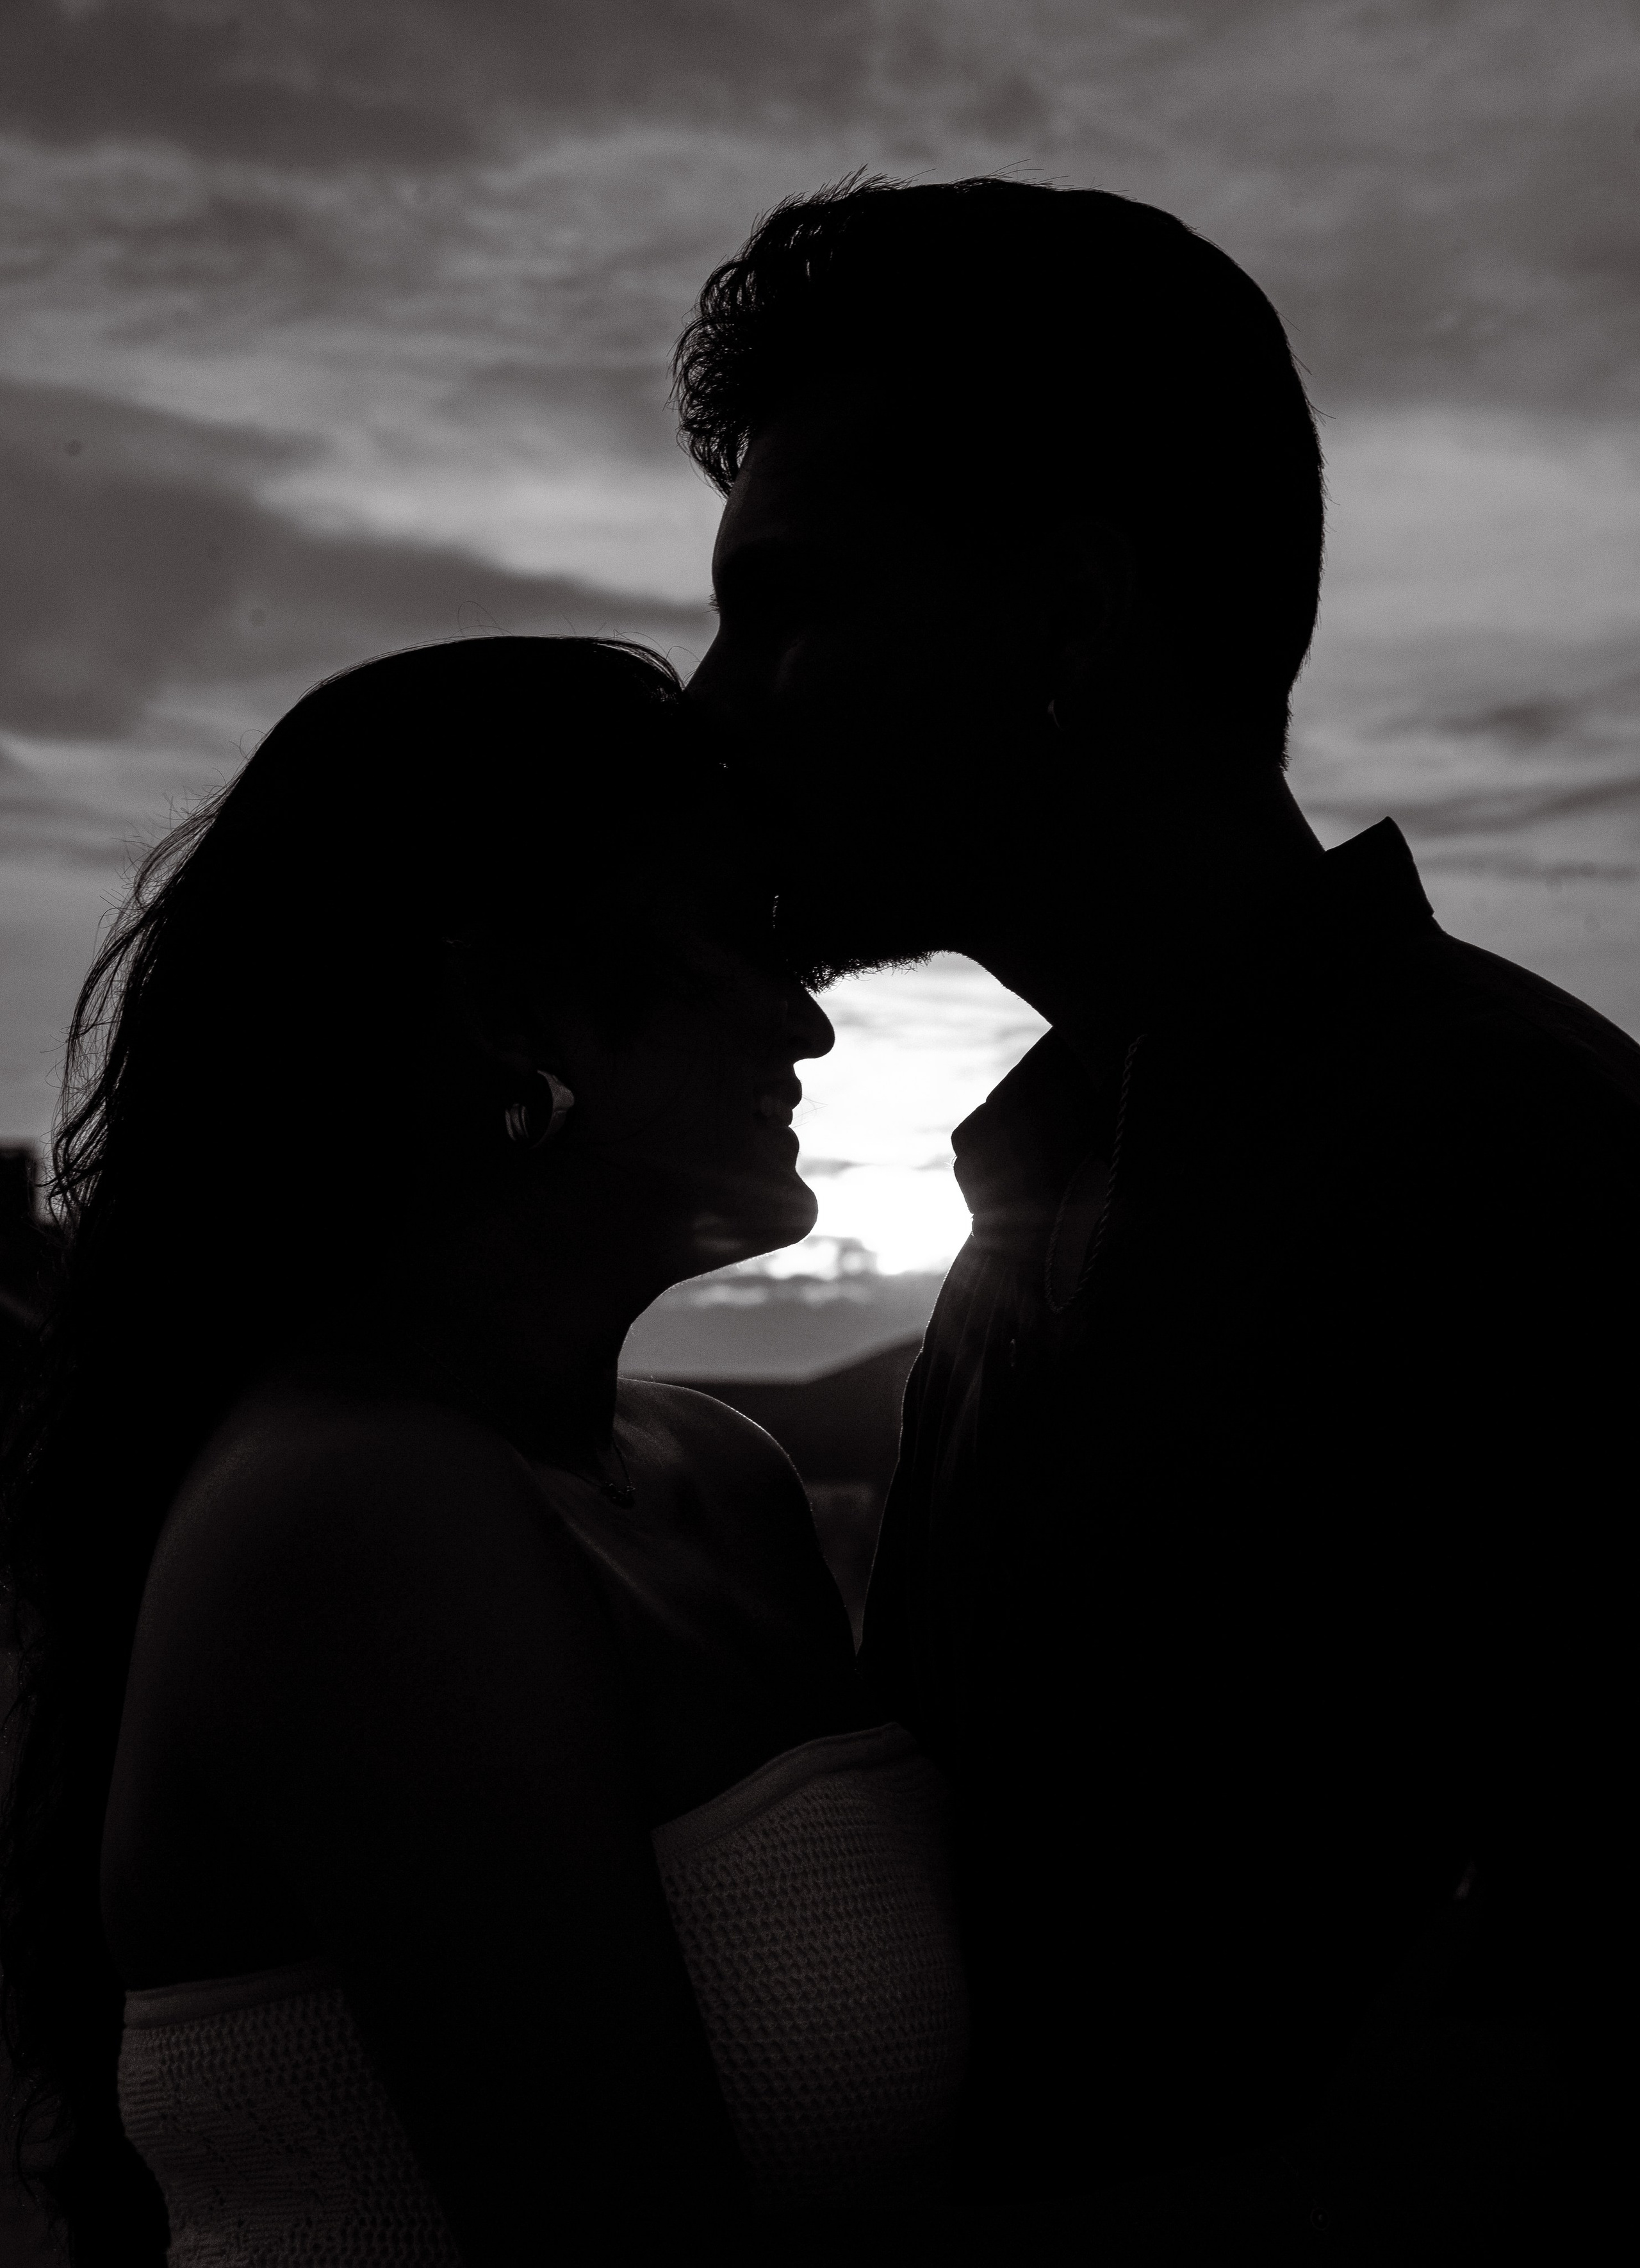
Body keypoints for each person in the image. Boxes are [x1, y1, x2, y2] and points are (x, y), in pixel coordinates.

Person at [678, 177, 1632, 2255]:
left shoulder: (1515, 1194)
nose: (714, 707)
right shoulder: (1055, 1193)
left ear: (1063, 628)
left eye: (793, 608)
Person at [0, 637, 969, 2266]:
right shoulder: (364, 1521)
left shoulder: (714, 1480)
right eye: (741, 941)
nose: (804, 1029)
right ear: (507, 1002)